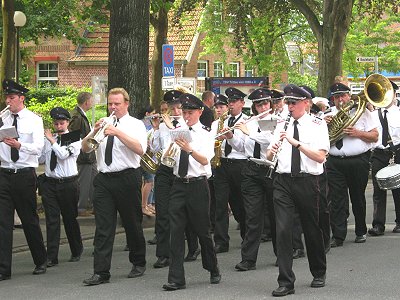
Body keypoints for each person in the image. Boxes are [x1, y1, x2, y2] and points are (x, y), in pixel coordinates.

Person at [267, 84, 329, 297]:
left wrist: (296, 144)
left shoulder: (317, 124)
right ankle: (286, 281)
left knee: (312, 228)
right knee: (283, 230)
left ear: (306, 103)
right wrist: (271, 151)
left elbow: (321, 157)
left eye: (293, 102)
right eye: (287, 102)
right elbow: (268, 155)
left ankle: (319, 271)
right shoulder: (282, 122)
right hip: (282, 181)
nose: (289, 106)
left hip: (308, 181)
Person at [82, 88, 147, 285]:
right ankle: (101, 272)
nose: (113, 107)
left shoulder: (135, 124)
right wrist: (94, 131)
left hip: (127, 177)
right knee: (103, 226)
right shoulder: (103, 123)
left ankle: (138, 261)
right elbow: (85, 149)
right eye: (110, 104)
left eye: (117, 104)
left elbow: (140, 149)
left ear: (126, 104)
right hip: (104, 180)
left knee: (132, 222)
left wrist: (117, 132)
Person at [162, 93, 220, 291]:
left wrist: (188, 149)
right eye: (184, 112)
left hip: (198, 184)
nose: (186, 116)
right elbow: (168, 159)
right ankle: (176, 278)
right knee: (176, 232)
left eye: (190, 112)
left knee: (202, 231)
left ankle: (213, 267)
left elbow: (205, 160)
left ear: (200, 112)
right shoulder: (177, 131)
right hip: (179, 184)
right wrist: (170, 148)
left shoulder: (205, 133)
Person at [0, 79, 47, 280]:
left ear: (21, 98)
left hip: (24, 174)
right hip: (4, 173)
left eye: (12, 98)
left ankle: (40, 260)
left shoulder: (34, 120)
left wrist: (19, 146)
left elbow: (38, 148)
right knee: (3, 222)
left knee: (29, 219)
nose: (8, 101)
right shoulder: (2, 117)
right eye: (6, 97)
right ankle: (4, 269)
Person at [227, 88, 276, 271]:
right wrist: (231, 137)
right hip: (251, 169)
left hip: (269, 169)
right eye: (259, 104)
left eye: (265, 103)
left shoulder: (275, 121)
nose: (263, 106)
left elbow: (268, 141)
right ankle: (248, 259)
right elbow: (241, 147)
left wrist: (248, 132)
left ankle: (282, 253)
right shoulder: (249, 121)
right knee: (252, 216)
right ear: (254, 106)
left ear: (270, 103)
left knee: (275, 214)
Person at [150, 90, 200, 269]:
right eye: (172, 108)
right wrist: (156, 129)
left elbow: (188, 141)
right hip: (165, 169)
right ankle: (164, 254)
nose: (177, 111)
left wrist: (171, 126)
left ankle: (193, 247)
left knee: (185, 212)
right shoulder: (163, 125)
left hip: (183, 169)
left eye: (179, 107)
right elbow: (155, 147)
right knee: (162, 213)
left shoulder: (188, 124)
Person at [325, 82, 378, 247]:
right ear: (332, 99)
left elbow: (375, 136)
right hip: (334, 162)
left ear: (349, 96)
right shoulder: (326, 115)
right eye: (337, 97)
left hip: (358, 161)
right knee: (337, 199)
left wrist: (358, 133)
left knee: (358, 197)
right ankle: (338, 235)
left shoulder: (363, 113)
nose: (340, 100)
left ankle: (361, 231)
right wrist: (324, 126)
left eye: (343, 96)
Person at [39, 107, 83, 267]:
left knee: (70, 218)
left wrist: (52, 141)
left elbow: (64, 155)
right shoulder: (48, 139)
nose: (58, 126)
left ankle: (76, 249)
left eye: (61, 123)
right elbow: (42, 158)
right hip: (50, 183)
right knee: (52, 220)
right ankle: (51, 256)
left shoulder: (74, 138)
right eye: (56, 123)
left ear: (67, 123)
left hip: (68, 183)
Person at [213, 87, 248, 253]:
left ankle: (247, 236)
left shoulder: (248, 122)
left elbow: (243, 147)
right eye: (230, 102)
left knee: (240, 203)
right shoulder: (220, 122)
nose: (231, 105)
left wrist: (230, 137)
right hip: (222, 165)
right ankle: (221, 241)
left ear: (242, 103)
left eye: (234, 102)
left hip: (239, 165)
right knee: (220, 204)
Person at [368, 81, 400, 236]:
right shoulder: (371, 115)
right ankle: (378, 225)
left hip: (397, 152)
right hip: (379, 154)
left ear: (394, 94)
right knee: (378, 189)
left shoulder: (399, 113)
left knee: (398, 189)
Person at [68, 92, 97, 216]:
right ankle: (81, 207)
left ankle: (93, 205)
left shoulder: (80, 115)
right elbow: (73, 135)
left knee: (94, 181)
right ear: (86, 102)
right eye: (91, 101)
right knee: (84, 182)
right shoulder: (77, 116)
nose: (93, 103)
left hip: (90, 156)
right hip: (83, 156)